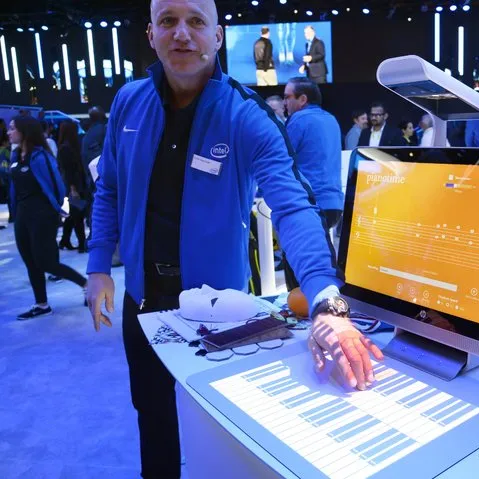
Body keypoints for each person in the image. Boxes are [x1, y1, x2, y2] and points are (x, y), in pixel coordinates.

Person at [86, 1, 383, 477]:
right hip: (141, 300)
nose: (182, 33)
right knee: (152, 413)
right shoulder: (128, 101)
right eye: (168, 21)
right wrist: (99, 265)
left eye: (196, 22)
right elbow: (110, 188)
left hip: (219, 309)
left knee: (218, 423)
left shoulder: (246, 115)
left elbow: (292, 206)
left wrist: (328, 298)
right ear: (151, 34)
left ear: (218, 36)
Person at [7, 116, 87, 320]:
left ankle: (86, 285)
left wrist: (57, 209)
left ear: (24, 131)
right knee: (30, 262)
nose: (9, 132)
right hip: (22, 215)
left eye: (12, 128)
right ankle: (41, 304)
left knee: (47, 262)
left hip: (43, 215)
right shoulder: (16, 155)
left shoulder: (41, 156)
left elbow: (57, 186)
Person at [283, 77, 343, 290]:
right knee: (324, 260)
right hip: (334, 203)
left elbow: (280, 157)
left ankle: (305, 314)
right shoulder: (332, 120)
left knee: (298, 262)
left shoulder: (298, 120)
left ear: (302, 99)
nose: (284, 103)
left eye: (287, 97)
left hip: (310, 204)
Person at [57, 120, 88, 252]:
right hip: (73, 185)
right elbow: (69, 170)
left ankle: (65, 240)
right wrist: (73, 188)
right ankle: (81, 244)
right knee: (77, 214)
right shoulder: (67, 148)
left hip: (71, 184)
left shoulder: (66, 147)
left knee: (71, 215)